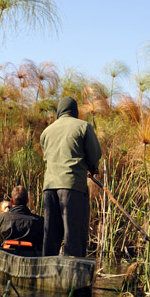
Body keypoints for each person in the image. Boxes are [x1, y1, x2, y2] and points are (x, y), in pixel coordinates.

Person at [40, 96, 102, 257]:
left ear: (59, 112)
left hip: (49, 188)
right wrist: (91, 168)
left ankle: (47, 271)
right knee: (73, 233)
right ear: (75, 111)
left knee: (51, 234)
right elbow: (95, 155)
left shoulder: (46, 132)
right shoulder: (83, 127)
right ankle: (73, 275)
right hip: (72, 187)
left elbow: (47, 158)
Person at [0, 185, 44, 252]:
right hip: (32, 261)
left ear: (11, 201)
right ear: (27, 201)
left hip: (6, 260)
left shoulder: (3, 219)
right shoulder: (39, 222)